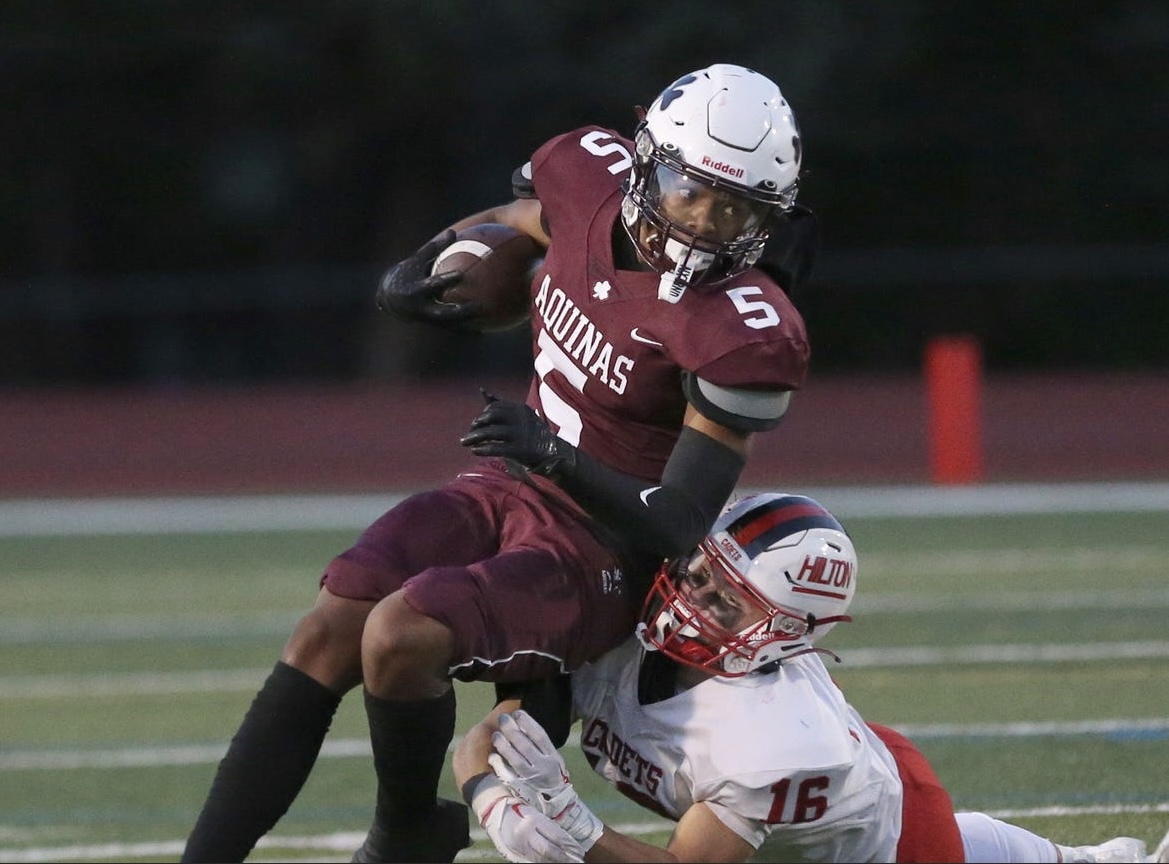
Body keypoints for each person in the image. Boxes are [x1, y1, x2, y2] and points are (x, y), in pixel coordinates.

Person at [181, 62, 816, 863]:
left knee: (401, 634)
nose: (707, 224)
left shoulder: (743, 329)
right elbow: (523, 220)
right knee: (330, 625)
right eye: (692, 192)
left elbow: (679, 524)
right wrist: (428, 260)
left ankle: (404, 828)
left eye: (737, 209)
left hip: (603, 550)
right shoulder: (587, 173)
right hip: (510, 483)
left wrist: (554, 452)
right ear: (645, 161)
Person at [454, 492, 1168, 864]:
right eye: (701, 574)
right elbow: (485, 738)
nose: (691, 601)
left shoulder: (771, 741)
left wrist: (576, 832)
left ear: (782, 634)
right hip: (854, 795)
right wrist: (491, 798)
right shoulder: (625, 613)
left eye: (726, 601)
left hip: (892, 841)